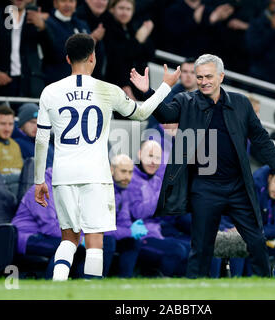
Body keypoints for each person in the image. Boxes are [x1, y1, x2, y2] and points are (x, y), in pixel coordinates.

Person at [130, 53, 275, 278]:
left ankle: (264, 290)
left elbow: (262, 139)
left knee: (256, 240)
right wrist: (149, 92)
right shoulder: (187, 101)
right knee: (202, 247)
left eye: (209, 76)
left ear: (221, 76)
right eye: (199, 77)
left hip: (238, 186)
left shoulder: (241, 103)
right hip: (204, 186)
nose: (204, 81)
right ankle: (195, 296)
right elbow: (165, 114)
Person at [34, 33, 180, 281]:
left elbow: (40, 140)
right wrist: (165, 85)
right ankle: (91, 292)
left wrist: (39, 180)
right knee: (94, 241)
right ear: (93, 57)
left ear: (68, 58)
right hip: (95, 175)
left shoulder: (50, 92)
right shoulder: (107, 90)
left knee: (68, 239)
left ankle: (55, 290)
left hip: (62, 174)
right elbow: (142, 112)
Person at [127, 140, 188, 277]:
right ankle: (155, 281)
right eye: (150, 156)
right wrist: (161, 197)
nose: (153, 161)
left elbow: (165, 215)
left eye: (157, 158)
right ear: (140, 154)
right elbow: (137, 212)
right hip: (140, 237)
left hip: (158, 233)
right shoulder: (131, 178)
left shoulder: (157, 181)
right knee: (177, 250)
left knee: (191, 248)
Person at [0, 0, 47, 100]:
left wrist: (43, 28)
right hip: (3, 82)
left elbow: (52, 51)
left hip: (30, 82)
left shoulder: (36, 19)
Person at [103, 0, 155, 103]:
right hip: (120, 88)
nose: (124, 12)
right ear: (112, 9)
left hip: (139, 87)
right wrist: (138, 39)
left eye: (128, 9)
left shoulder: (133, 28)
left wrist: (144, 37)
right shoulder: (107, 29)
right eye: (121, 8)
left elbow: (150, 54)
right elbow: (119, 57)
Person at [41, 0, 91, 85]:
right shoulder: (47, 23)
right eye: (63, 1)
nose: (67, 5)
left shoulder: (82, 25)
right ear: (55, 3)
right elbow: (55, 51)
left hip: (80, 82)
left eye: (71, 1)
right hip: (55, 81)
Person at [11, 103, 54, 168]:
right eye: (32, 122)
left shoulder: (46, 142)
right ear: (22, 123)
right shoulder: (16, 144)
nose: (36, 127)